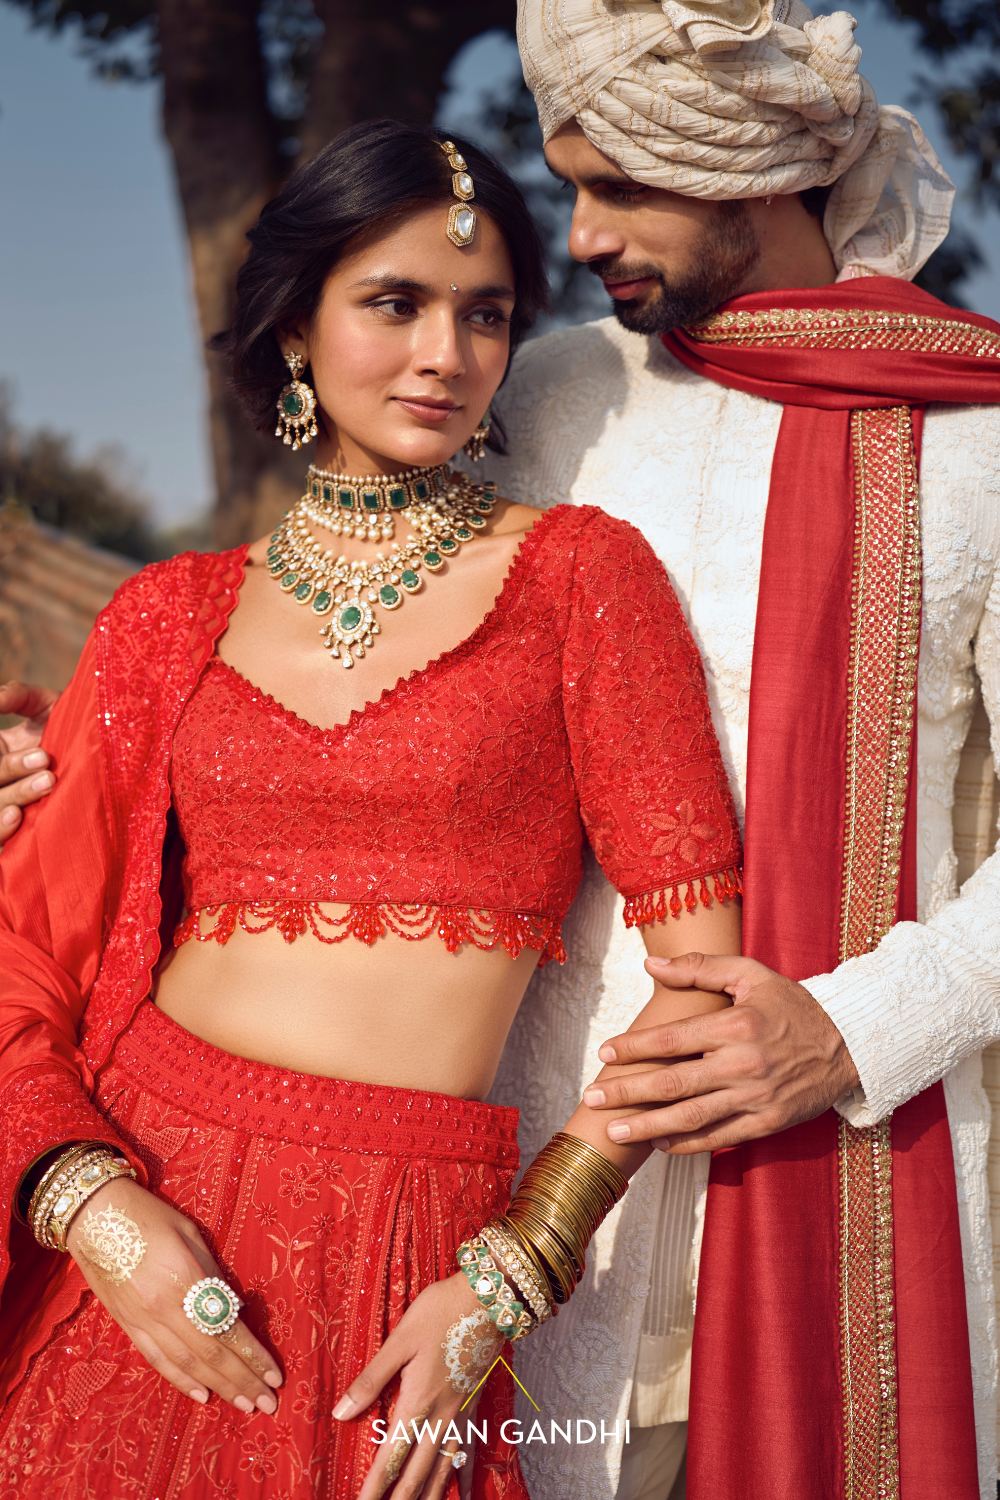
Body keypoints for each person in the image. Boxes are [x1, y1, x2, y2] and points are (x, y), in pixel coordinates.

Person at [0, 120, 745, 1500]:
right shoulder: (166, 619)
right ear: (296, 323)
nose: (443, 355)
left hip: (407, 1257)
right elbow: (21, 949)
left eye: (486, 315)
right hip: (139, 1201)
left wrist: (515, 1270)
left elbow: (703, 982)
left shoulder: (583, 582)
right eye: (393, 303)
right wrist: (96, 1212)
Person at [462, 3, 1000, 1499]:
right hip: (542, 1196)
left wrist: (845, 1030)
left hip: (854, 1161)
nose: (576, 236)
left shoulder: (975, 432)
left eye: (619, 186)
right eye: (567, 184)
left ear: (751, 171)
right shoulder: (547, 400)